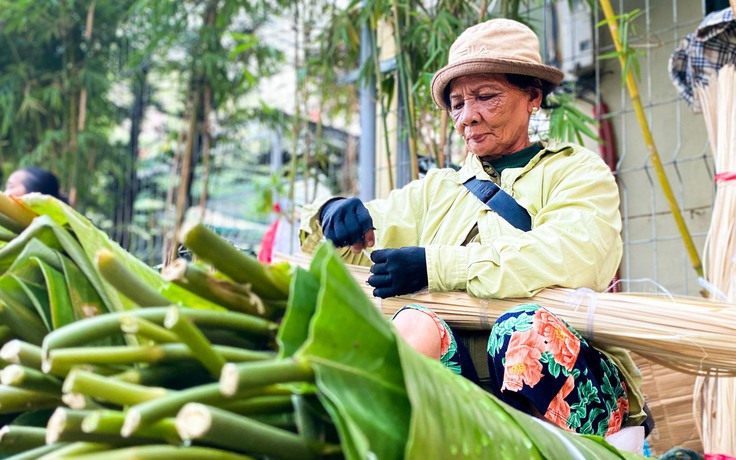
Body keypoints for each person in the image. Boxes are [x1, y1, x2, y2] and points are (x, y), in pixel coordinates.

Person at [299, 18, 648, 440]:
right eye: (457, 104)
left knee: (521, 334)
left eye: (486, 97)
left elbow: (571, 257)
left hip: (572, 400)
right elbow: (339, 249)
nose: (468, 117)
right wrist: (331, 214)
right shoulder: (435, 191)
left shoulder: (577, 173)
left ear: (532, 97)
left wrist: (436, 266)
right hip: (472, 402)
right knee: (415, 324)